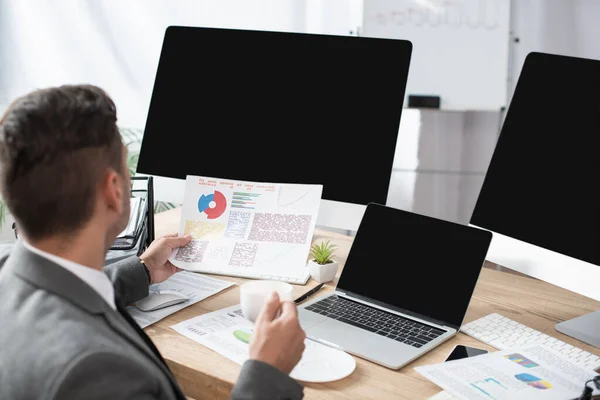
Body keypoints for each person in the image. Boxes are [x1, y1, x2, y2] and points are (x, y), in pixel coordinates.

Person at [0, 85, 306, 399]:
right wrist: (266, 372)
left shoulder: (6, 266)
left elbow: (67, 294)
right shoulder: (97, 373)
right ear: (114, 191)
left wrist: (142, 270)